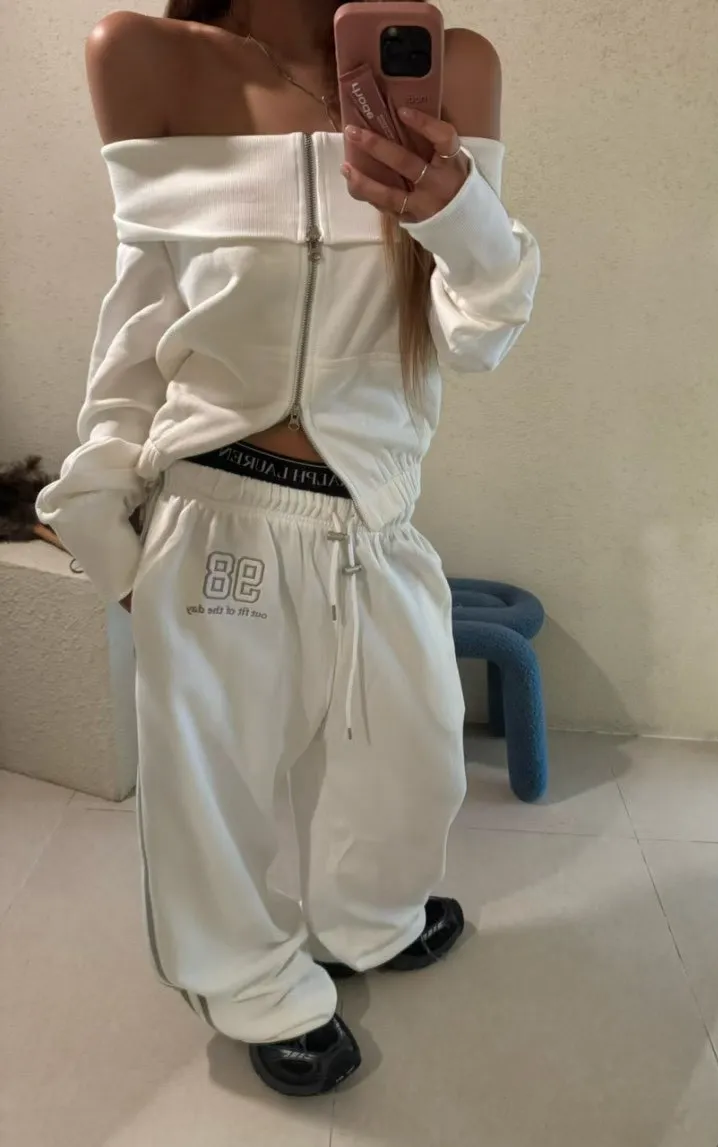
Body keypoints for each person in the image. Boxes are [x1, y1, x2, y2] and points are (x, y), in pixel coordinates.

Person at [37, 0, 539, 1098]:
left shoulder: (450, 68)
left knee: (409, 759)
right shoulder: (142, 54)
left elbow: (477, 334)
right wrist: (105, 513)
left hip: (372, 516)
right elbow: (141, 310)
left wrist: (458, 212)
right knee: (208, 790)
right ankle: (253, 985)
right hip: (216, 505)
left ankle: (370, 918)